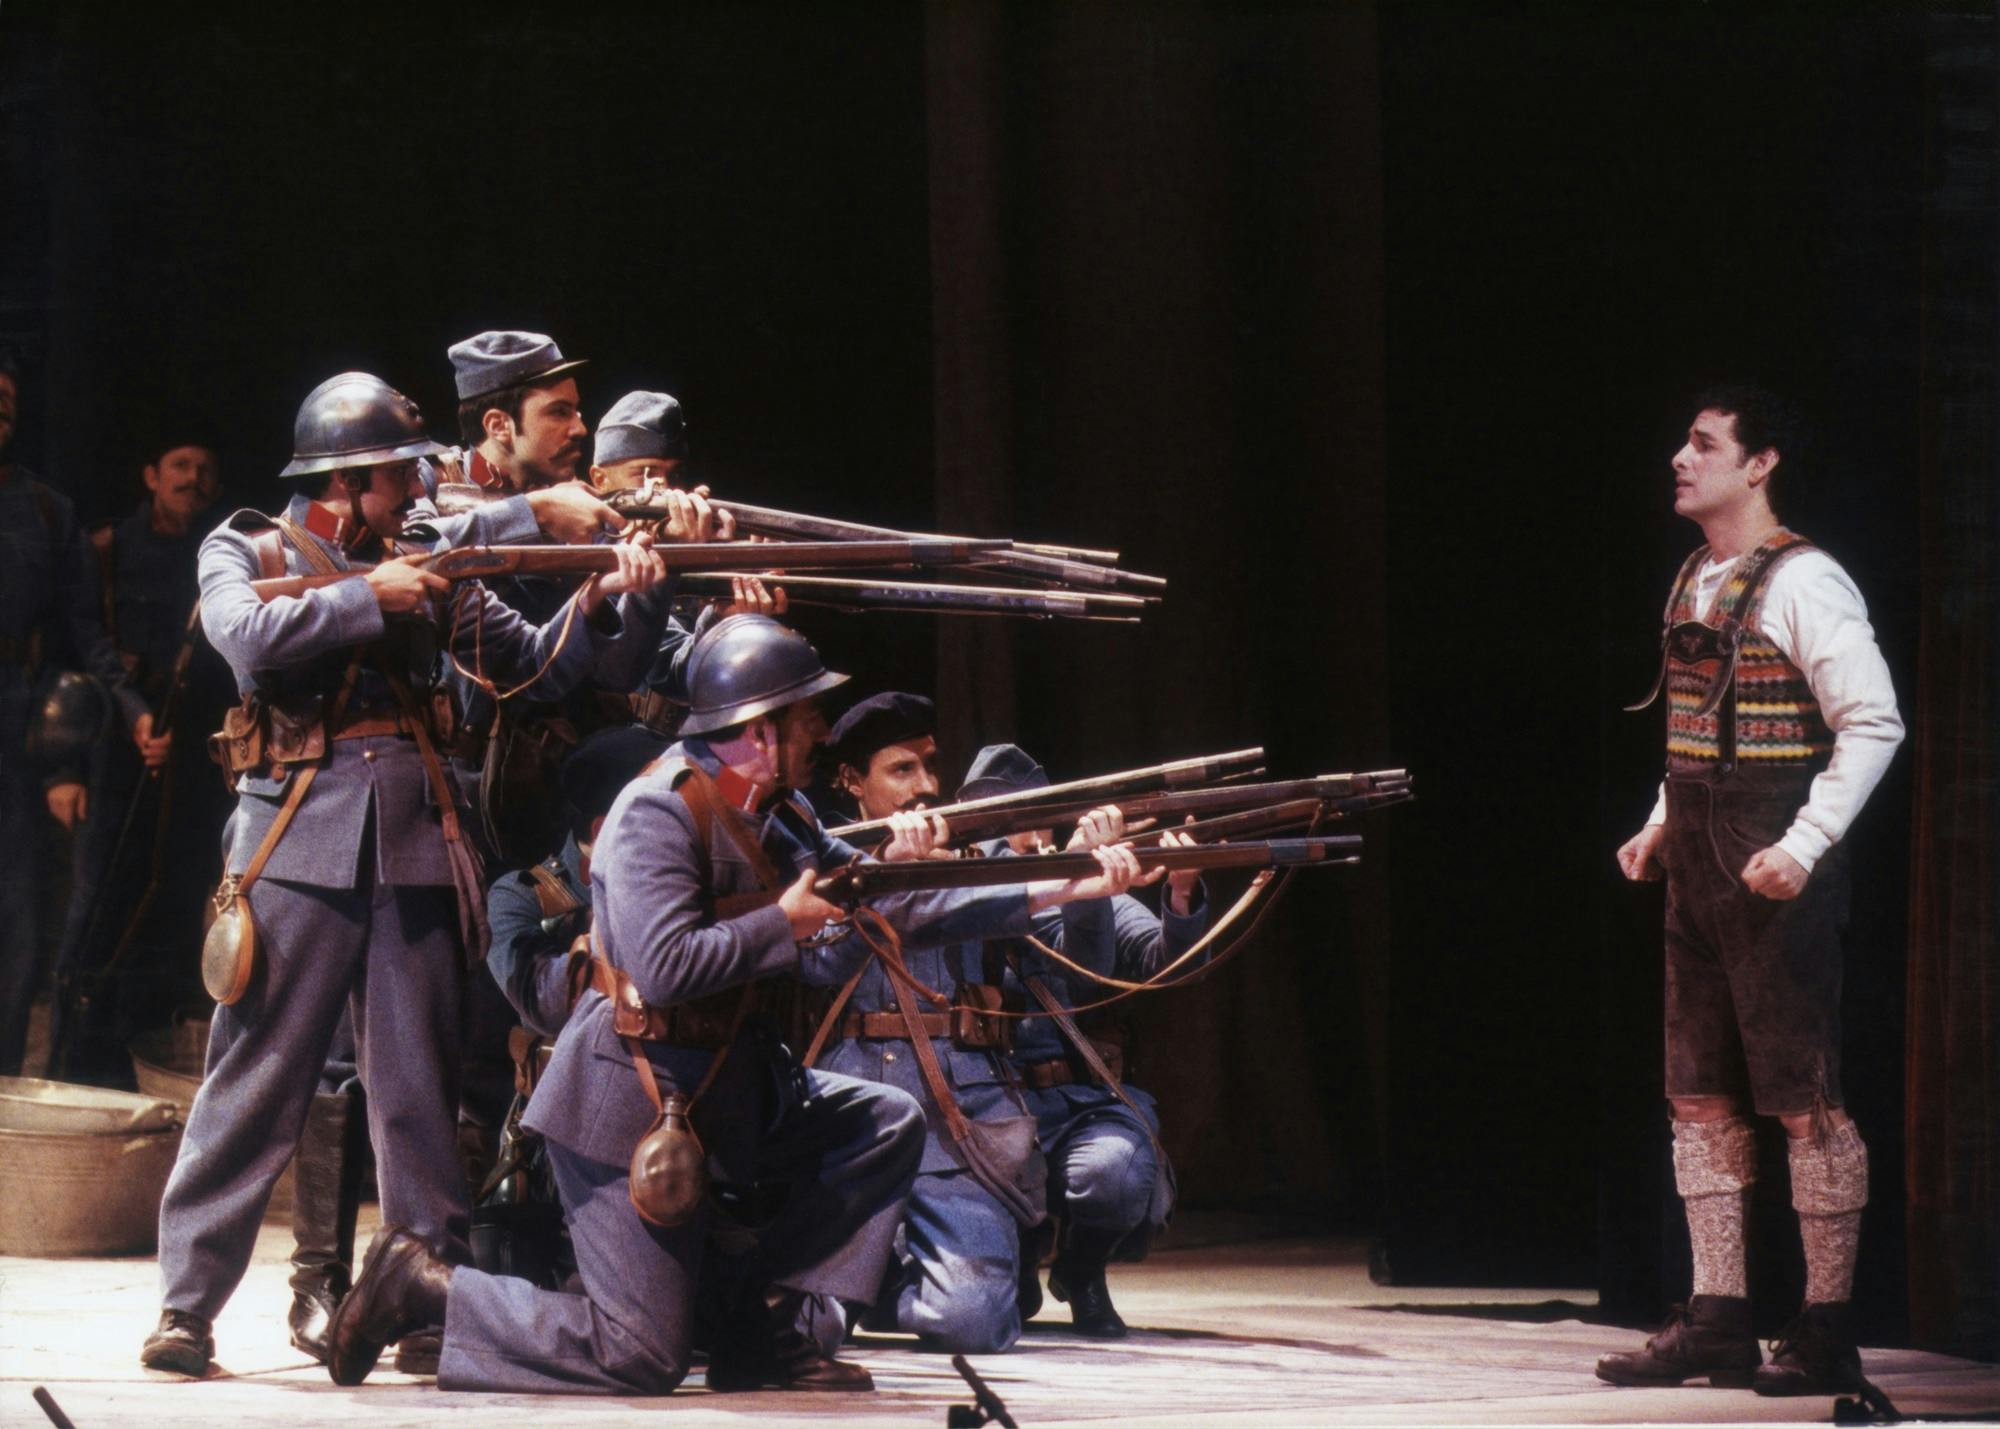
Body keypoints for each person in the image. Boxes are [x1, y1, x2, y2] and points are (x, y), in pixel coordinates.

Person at [325, 615, 1145, 1395]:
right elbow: (664, 967)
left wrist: (1058, 886)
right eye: (804, 714)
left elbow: (878, 905)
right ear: (759, 731)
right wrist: (783, 922)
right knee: (640, 1353)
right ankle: (427, 1287)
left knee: (882, 1121)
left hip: (727, 1084)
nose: (819, 730)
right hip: (629, 1094)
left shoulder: (777, 809)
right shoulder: (655, 811)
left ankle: (765, 1329)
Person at [139, 371, 668, 1379]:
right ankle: (187, 1304)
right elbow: (239, 632)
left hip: (418, 842)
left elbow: (539, 666)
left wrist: (610, 598)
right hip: (293, 840)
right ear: (346, 481)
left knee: (418, 1090)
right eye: (397, 474)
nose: (417, 488)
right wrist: (361, 596)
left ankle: (425, 1294)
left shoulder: (425, 555)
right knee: (252, 1079)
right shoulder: (248, 546)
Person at [1599, 386, 1903, 1397]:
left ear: (1759, 462)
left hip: (1771, 859)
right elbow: (1697, 725)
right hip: (1696, 857)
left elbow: (1872, 721)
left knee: (1802, 1097)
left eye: (1703, 444)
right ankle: (1717, 1317)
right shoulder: (1695, 575)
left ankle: (1826, 1327)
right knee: (1696, 1093)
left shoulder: (1806, 580)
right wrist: (1659, 820)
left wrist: (1806, 842)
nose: (1680, 458)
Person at [964, 744, 1209, 1339]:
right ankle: (1017, 1255)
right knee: (991, 1301)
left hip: (1075, 1099)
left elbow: (1161, 963)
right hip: (985, 1105)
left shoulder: (1088, 881)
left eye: (1035, 818)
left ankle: (1081, 1268)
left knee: (1115, 1174)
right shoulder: (959, 892)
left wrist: (1180, 892)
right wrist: (1063, 882)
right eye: (1004, 823)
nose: (1024, 836)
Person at [49, 433, 228, 1083]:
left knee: (170, 914)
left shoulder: (220, 556)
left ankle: (134, 1069)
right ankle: (68, 1069)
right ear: (151, 475)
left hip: (188, 766)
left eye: (205, 469)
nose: (193, 478)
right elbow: (77, 651)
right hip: (109, 755)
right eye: (180, 465)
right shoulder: (104, 548)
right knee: (94, 911)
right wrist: (68, 767)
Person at [0, 351, 157, 1076]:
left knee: (18, 932)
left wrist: (131, 710)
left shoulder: (44, 510)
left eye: (6, 394)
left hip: (12, 729)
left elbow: (83, 636)